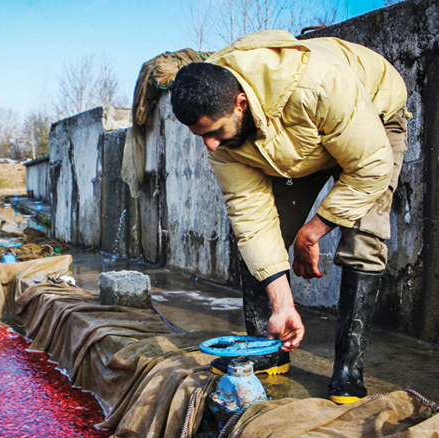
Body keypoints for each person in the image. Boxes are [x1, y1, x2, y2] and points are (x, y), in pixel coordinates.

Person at [170, 30, 409, 404]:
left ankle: (348, 368)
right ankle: (269, 349)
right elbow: (251, 217)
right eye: (201, 136)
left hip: (371, 122)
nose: (210, 146)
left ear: (240, 103)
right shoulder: (222, 136)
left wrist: (312, 232)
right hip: (296, 141)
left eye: (215, 132)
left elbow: (370, 169)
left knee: (365, 236)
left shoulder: (320, 83)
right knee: (256, 242)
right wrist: (283, 304)